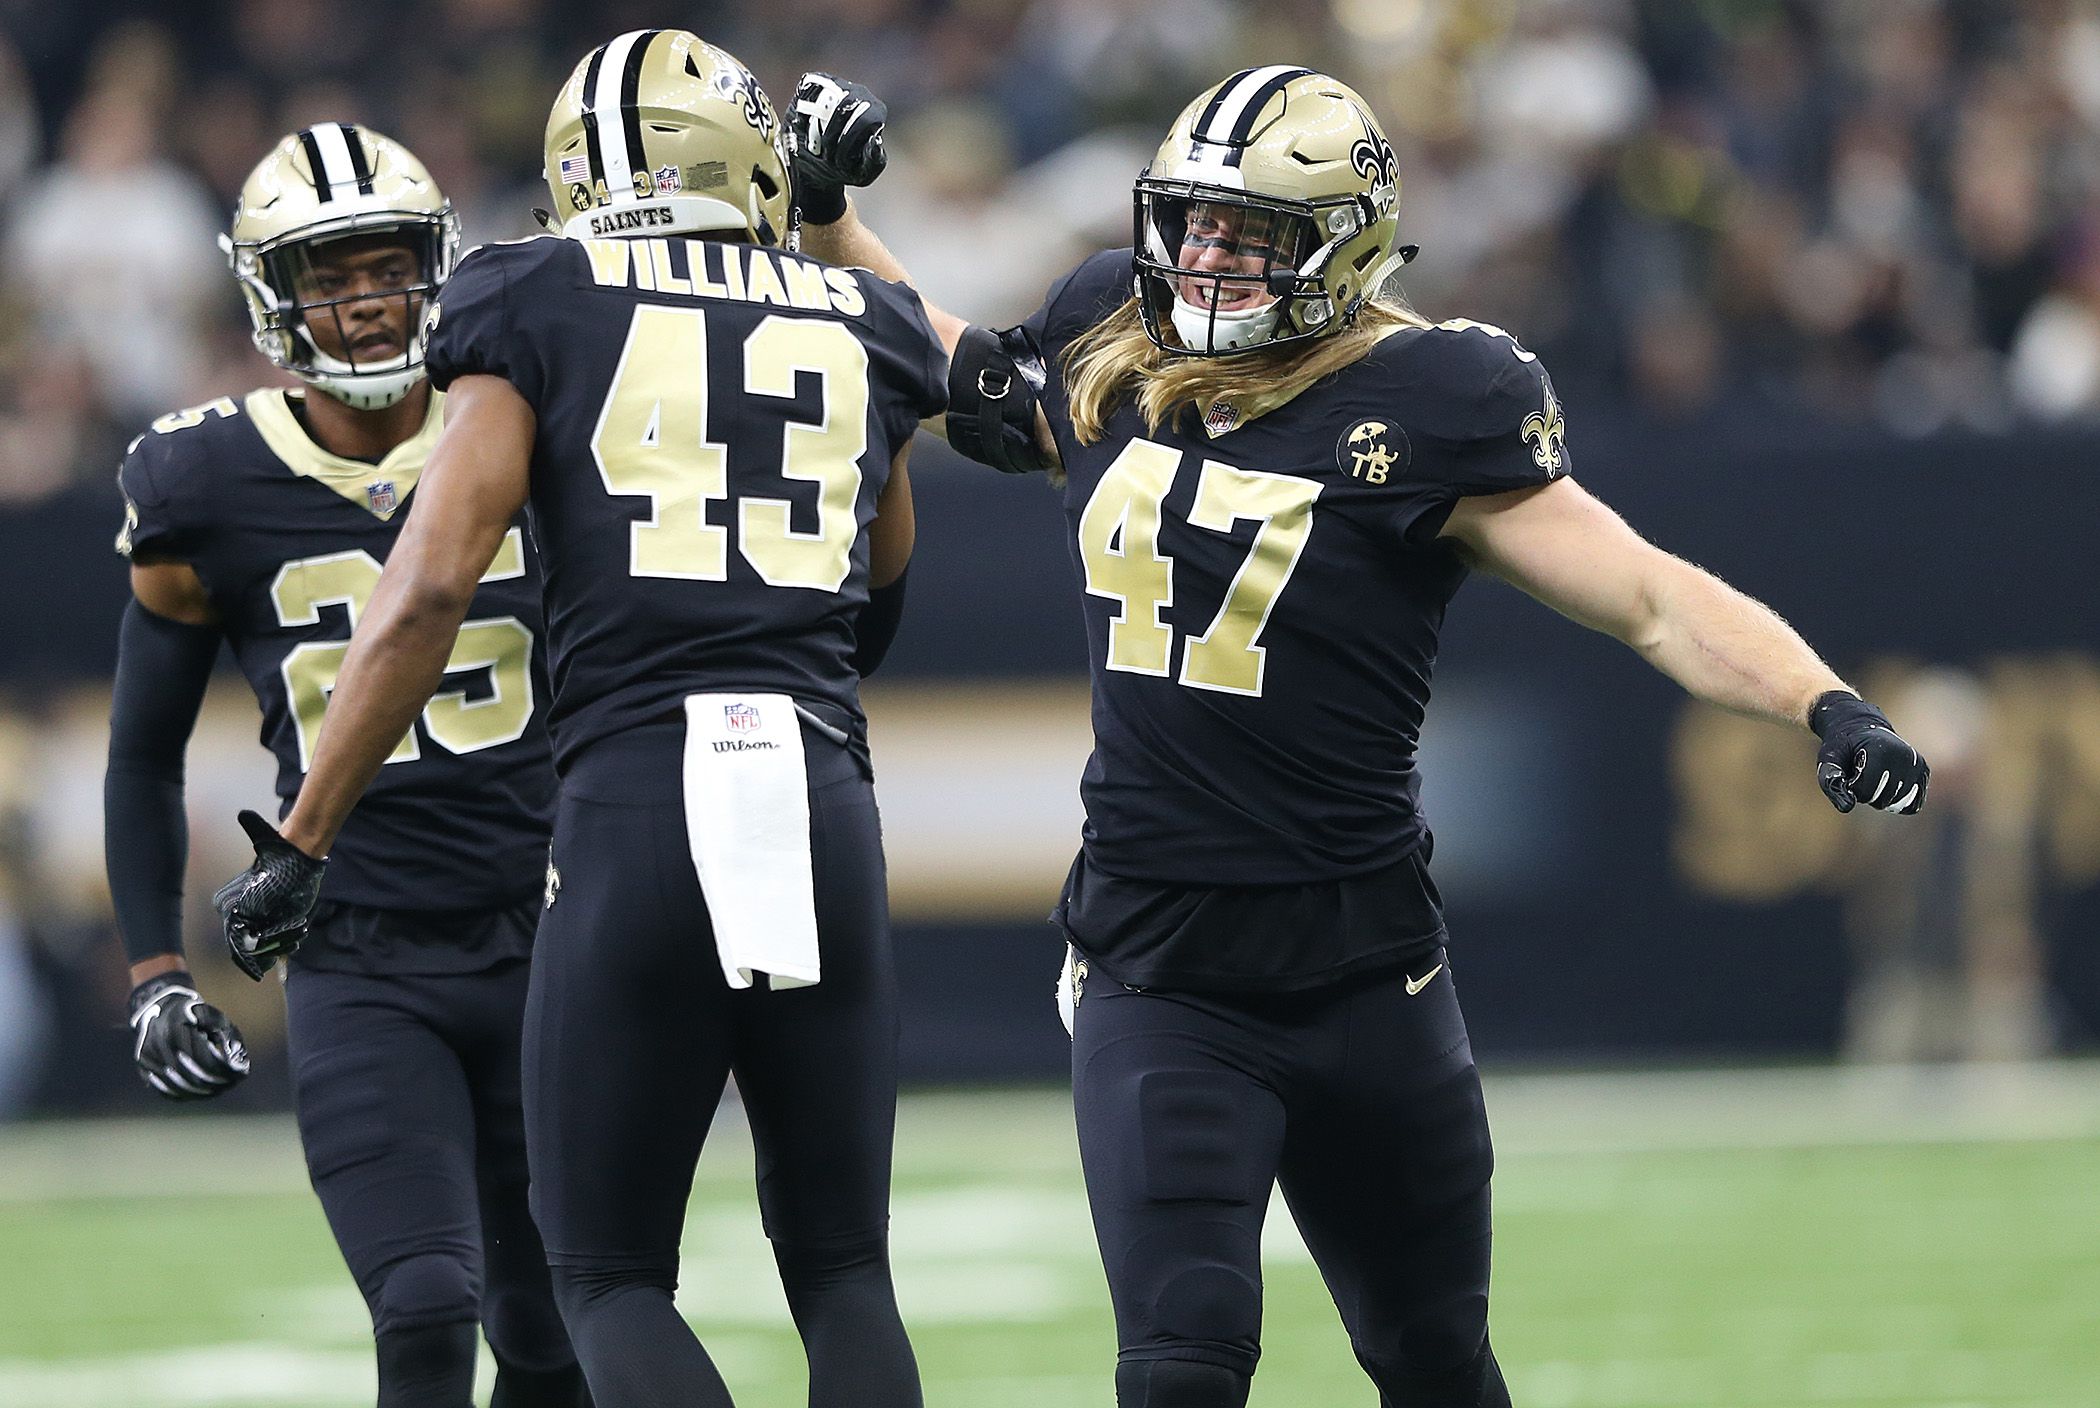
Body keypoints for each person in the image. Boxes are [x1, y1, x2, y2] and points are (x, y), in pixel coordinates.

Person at [791, 67, 1932, 1408]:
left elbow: (1645, 592)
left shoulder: (1434, 393)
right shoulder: (1116, 325)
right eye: (1193, 223)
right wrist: (826, 223)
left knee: (1435, 1362)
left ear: (1344, 243)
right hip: (1159, 972)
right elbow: (964, 375)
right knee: (1180, 1367)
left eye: (1250, 233)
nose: (1206, 259)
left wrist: (1819, 696)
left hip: (1366, 976)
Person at [211, 32, 943, 1408]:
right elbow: (895, 568)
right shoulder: (862, 313)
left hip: (636, 791)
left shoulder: (534, 287)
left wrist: (304, 837)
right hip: (817, 784)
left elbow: (428, 587)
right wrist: (841, 224)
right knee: (845, 1267)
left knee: (603, 1274)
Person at [105, 125, 587, 1408]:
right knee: (425, 1308)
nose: (367, 301)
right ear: (270, 292)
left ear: (438, 264)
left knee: (558, 1330)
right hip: (361, 950)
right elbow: (142, 755)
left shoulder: (538, 430)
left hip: (553, 930)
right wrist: (155, 971)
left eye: (386, 266)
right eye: (329, 275)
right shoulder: (199, 478)